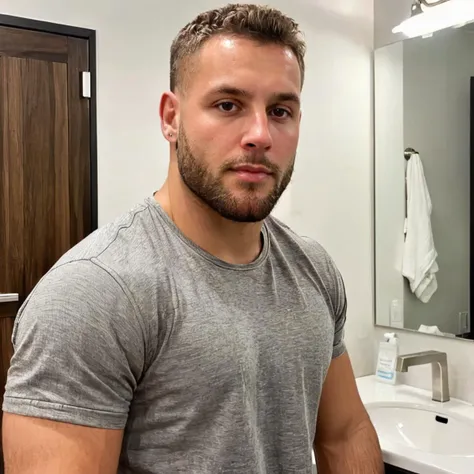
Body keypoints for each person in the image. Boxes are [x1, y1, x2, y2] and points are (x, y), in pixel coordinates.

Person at [2, 4, 383, 473]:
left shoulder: (314, 269)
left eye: (281, 110)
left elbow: (345, 437)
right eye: (228, 105)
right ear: (171, 118)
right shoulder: (94, 293)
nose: (260, 135)